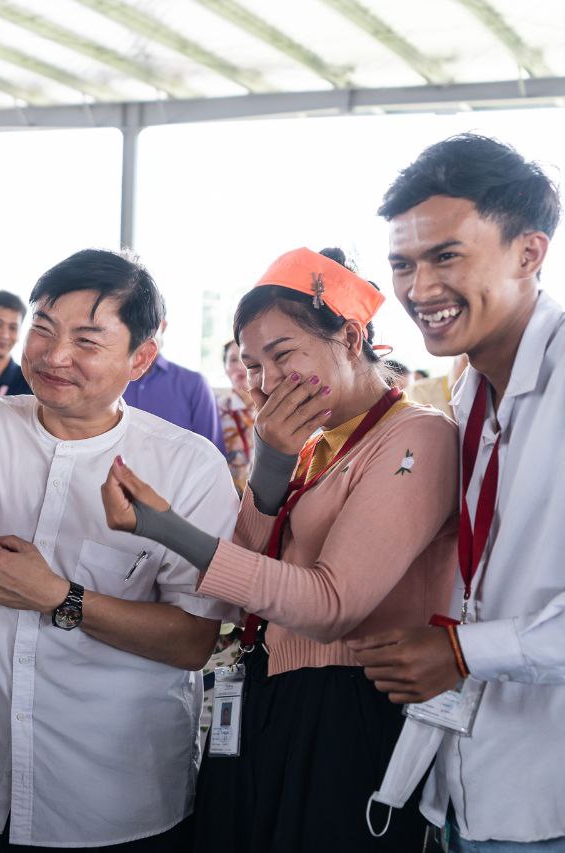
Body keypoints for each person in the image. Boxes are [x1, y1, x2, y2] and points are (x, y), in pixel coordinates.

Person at [99, 247, 458, 853]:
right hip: (273, 695)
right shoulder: (315, 447)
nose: (266, 382)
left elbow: (331, 605)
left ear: (350, 338)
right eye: (252, 365)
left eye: (282, 355)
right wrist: (268, 471)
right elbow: (244, 590)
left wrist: (168, 529)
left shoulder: (416, 435)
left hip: (349, 709)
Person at [0, 248, 239, 850]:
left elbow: (193, 641)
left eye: (86, 340)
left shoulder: (187, 466)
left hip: (113, 794)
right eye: (44, 328)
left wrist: (62, 597)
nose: (54, 356)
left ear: (140, 358)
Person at [352, 134, 565, 851]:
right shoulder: (471, 389)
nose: (419, 289)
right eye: (403, 264)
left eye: (446, 257)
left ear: (528, 253)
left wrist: (463, 652)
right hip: (467, 782)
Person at [122, 318, 225, 450]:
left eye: (149, 320)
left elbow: (213, 453)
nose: (141, 331)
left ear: (163, 325)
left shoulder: (195, 385)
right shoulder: (106, 383)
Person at [217, 340, 255, 493]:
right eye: (233, 360)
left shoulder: (274, 410)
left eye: (246, 358)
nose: (240, 365)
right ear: (225, 368)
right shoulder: (215, 410)